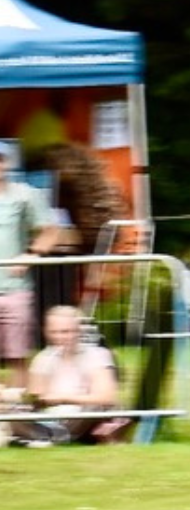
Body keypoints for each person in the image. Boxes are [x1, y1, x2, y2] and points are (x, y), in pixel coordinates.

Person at [7, 304, 124, 445]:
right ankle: (49, 437)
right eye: (55, 332)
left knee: (96, 407)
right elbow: (35, 398)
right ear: (47, 332)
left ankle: (42, 438)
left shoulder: (97, 355)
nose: (61, 337)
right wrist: (16, 397)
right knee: (12, 412)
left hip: (82, 416)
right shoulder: (44, 358)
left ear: (78, 331)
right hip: (51, 418)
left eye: (66, 332)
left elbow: (106, 397)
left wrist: (63, 399)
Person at [0, 141, 60, 390]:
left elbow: (51, 232)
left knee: (17, 355)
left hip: (15, 288)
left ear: (6, 164)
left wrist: (30, 254)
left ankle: (17, 418)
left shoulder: (25, 194)